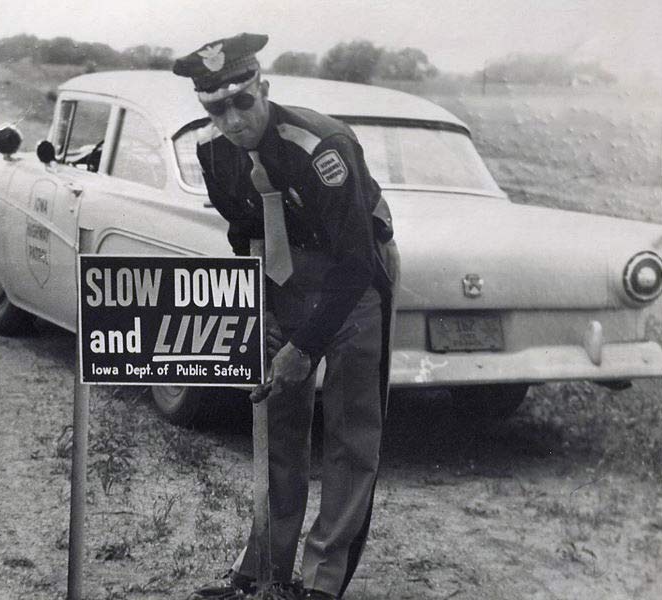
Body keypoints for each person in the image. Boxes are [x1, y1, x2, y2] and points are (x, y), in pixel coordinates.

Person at [173, 33, 399, 600]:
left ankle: (321, 584)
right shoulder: (212, 152)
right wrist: (262, 319)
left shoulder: (321, 145)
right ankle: (264, 572)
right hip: (280, 282)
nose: (231, 120)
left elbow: (356, 261)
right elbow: (242, 231)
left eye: (241, 103)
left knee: (349, 436)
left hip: (352, 284)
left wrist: (303, 350)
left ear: (263, 91)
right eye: (215, 108)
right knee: (274, 428)